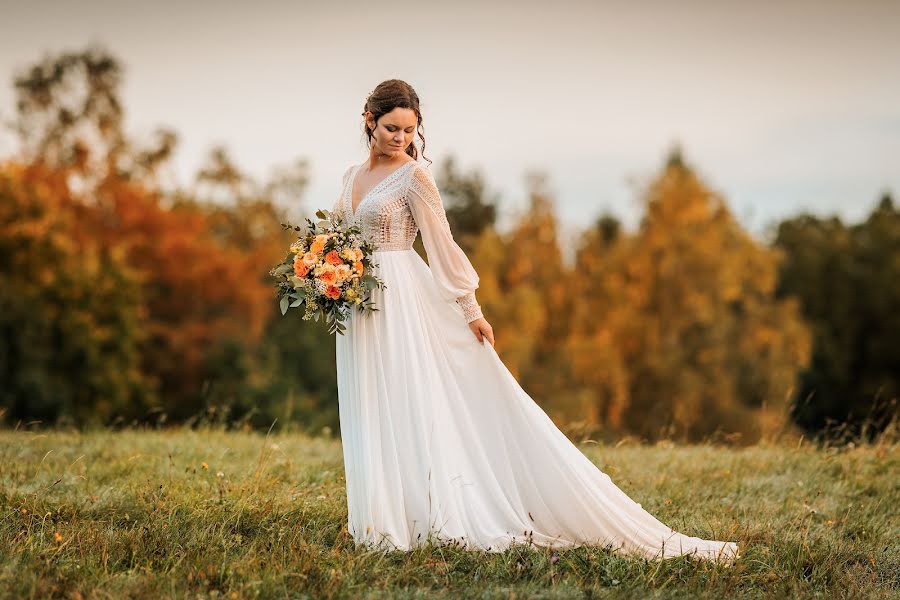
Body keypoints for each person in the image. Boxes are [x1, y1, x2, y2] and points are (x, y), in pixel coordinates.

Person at [331, 79, 741, 565]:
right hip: (357, 304)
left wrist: (471, 311)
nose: (400, 138)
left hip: (402, 301)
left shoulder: (415, 177)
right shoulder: (351, 175)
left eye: (409, 130)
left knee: (406, 399)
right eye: (391, 128)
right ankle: (377, 519)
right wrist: (325, 278)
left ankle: (417, 516)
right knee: (370, 401)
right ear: (369, 122)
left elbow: (442, 245)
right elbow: (338, 236)